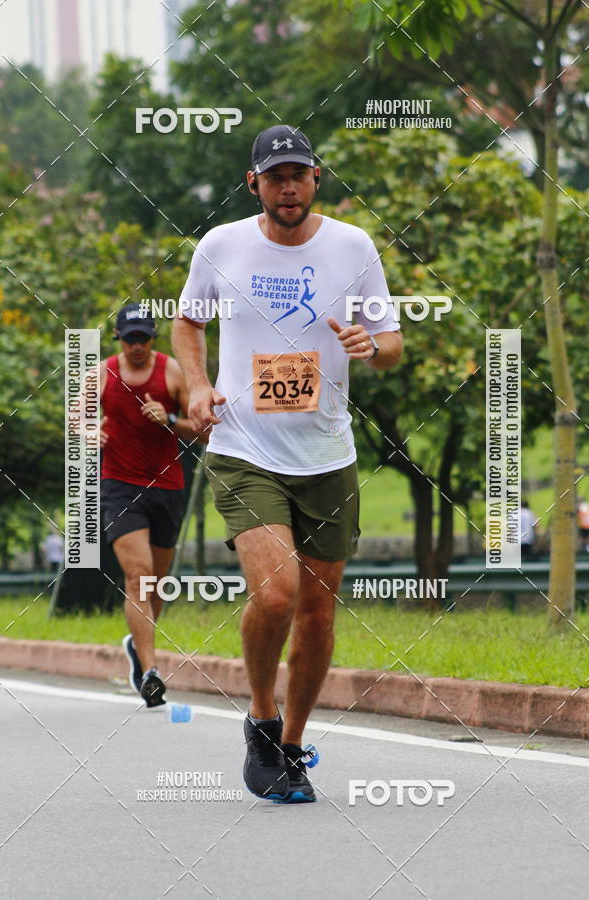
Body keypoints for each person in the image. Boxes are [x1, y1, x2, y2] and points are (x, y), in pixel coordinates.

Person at [172, 126, 403, 803]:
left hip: (328, 455)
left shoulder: (353, 247)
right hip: (244, 448)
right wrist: (194, 383)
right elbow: (189, 322)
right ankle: (261, 719)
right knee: (277, 593)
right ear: (255, 186)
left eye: (299, 174)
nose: (289, 186)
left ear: (316, 178)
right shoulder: (221, 247)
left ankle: (292, 745)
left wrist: (373, 346)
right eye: (275, 177)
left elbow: (391, 342)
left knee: (319, 614)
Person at [99, 302, 199, 707]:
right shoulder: (100, 375)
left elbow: (204, 429)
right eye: (129, 338)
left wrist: (171, 420)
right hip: (120, 487)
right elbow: (75, 419)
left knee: (155, 584)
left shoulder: (172, 372)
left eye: (143, 337)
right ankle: (151, 670)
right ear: (118, 339)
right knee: (138, 577)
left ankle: (138, 651)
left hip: (167, 488)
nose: (137, 345)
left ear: (153, 337)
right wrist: (91, 431)